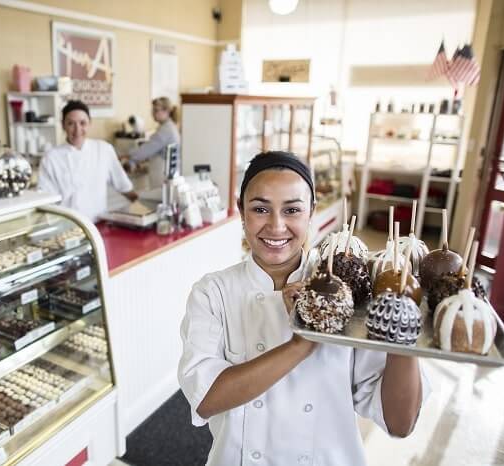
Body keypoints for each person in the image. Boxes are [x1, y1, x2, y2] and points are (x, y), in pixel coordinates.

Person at [178, 151, 429, 466]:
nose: (276, 225)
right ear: (241, 211)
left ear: (311, 211)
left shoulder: (352, 294)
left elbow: (399, 422)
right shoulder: (213, 292)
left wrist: (402, 332)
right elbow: (206, 400)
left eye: (292, 210)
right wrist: (302, 341)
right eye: (260, 209)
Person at [38, 100, 138, 222]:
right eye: (70, 123)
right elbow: (45, 201)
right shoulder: (51, 158)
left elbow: (123, 185)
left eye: (82, 123)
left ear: (90, 123)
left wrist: (144, 206)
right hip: (66, 227)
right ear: (63, 125)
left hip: (98, 225)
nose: (77, 129)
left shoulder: (103, 149)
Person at [123, 97, 180, 188]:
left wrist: (125, 155)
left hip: (163, 173)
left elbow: (145, 150)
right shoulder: (168, 127)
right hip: (164, 172)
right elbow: (153, 150)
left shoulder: (166, 130)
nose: (153, 113)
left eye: (156, 110)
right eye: (153, 110)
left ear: (167, 111)